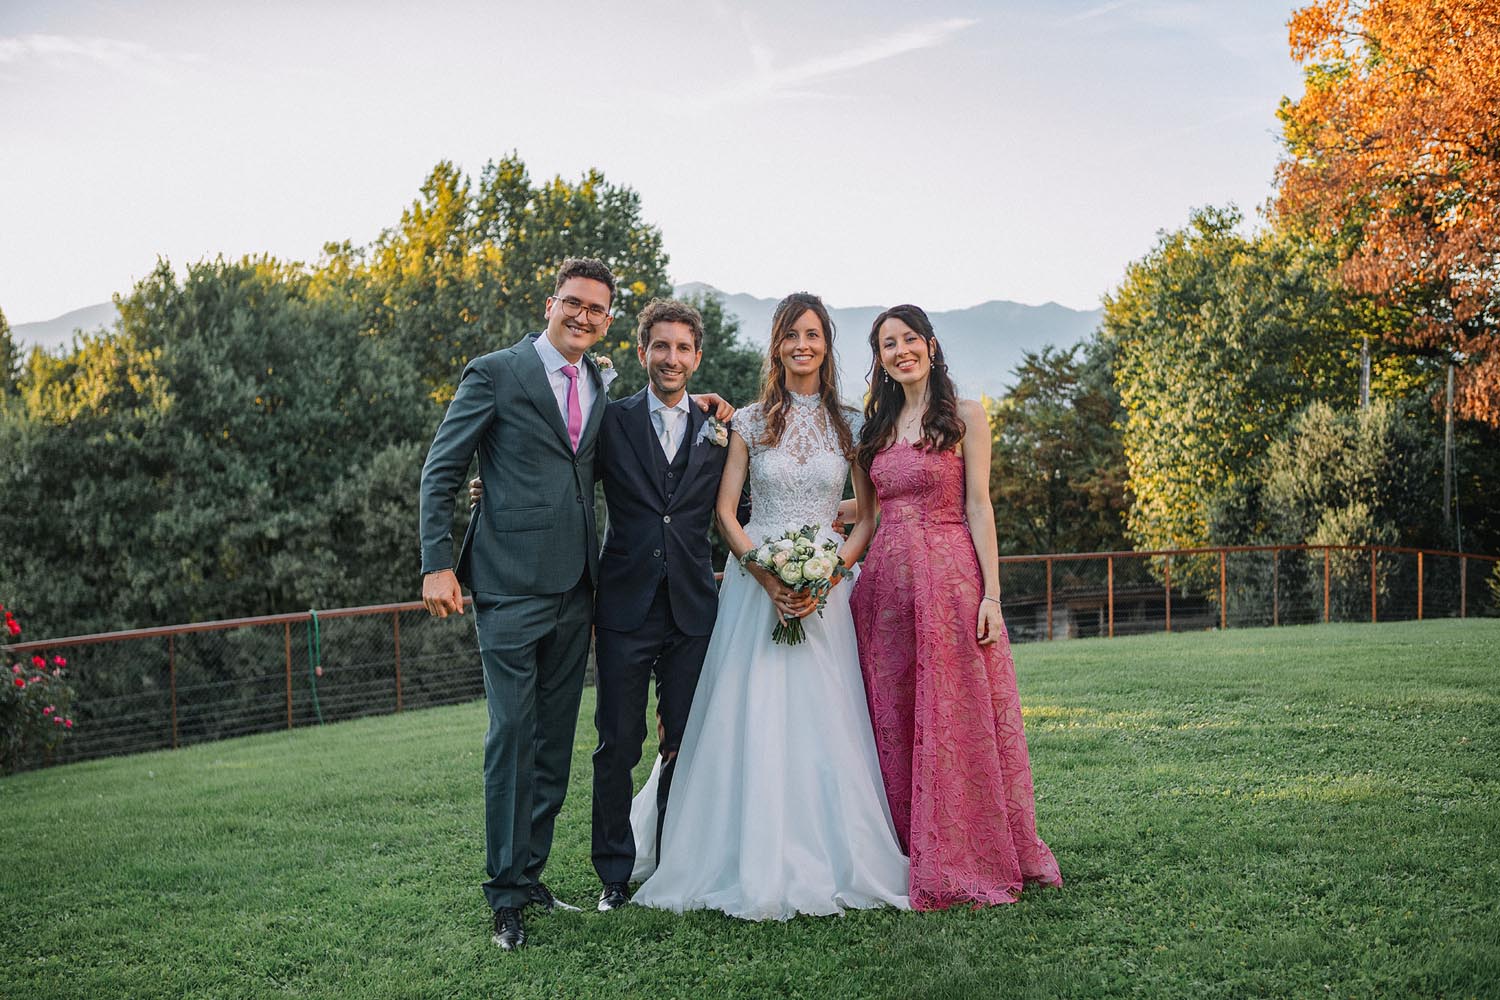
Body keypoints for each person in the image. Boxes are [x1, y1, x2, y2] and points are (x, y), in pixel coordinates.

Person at [455, 294, 734, 942]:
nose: (671, 357)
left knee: (686, 743)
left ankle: (684, 860)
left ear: (697, 357)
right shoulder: (612, 418)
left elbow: (742, 497)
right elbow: (556, 469)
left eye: (683, 347)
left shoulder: (723, 426)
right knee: (616, 745)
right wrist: (487, 484)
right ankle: (614, 873)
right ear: (641, 353)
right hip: (622, 604)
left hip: (694, 604)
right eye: (659, 346)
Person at [629, 292, 910, 920]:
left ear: (827, 345)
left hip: (824, 596)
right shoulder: (751, 422)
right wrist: (763, 573)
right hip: (756, 592)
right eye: (791, 334)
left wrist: (829, 573)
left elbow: (866, 518)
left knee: (824, 721)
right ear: (777, 345)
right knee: (748, 715)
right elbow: (727, 514)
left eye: (813, 334)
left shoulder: (850, 423)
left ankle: (832, 852)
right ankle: (738, 853)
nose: (802, 345)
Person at [848, 303, 1062, 910]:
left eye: (909, 339)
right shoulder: (875, 428)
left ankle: (969, 851)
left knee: (955, 712)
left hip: (950, 581)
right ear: (880, 359)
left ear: (932, 345)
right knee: (894, 714)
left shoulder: (966, 416)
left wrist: (992, 594)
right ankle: (899, 846)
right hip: (886, 586)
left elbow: (979, 507)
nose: (900, 351)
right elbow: (868, 511)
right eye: (888, 345)